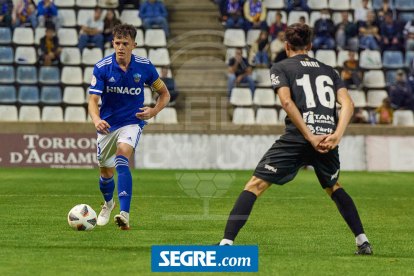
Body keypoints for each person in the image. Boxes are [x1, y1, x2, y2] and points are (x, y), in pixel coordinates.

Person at [217, 23, 373, 256]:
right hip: (327, 139)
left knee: (255, 185)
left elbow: (287, 103)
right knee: (334, 187)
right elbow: (348, 104)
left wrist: (309, 136)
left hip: (299, 137)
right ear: (310, 46)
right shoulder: (329, 70)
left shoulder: (281, 67)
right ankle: (363, 242)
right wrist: (336, 135)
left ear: (287, 45)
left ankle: (225, 245)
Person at [89, 24, 170, 230]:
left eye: (125, 43)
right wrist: (97, 120)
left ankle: (124, 214)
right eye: (117, 43)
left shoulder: (145, 66)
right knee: (105, 174)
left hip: (132, 122)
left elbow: (165, 94)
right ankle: (108, 204)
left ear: (134, 45)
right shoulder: (102, 67)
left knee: (121, 157)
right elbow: (92, 101)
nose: (121, 47)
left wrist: (153, 111)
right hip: (107, 125)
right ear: (112, 43)